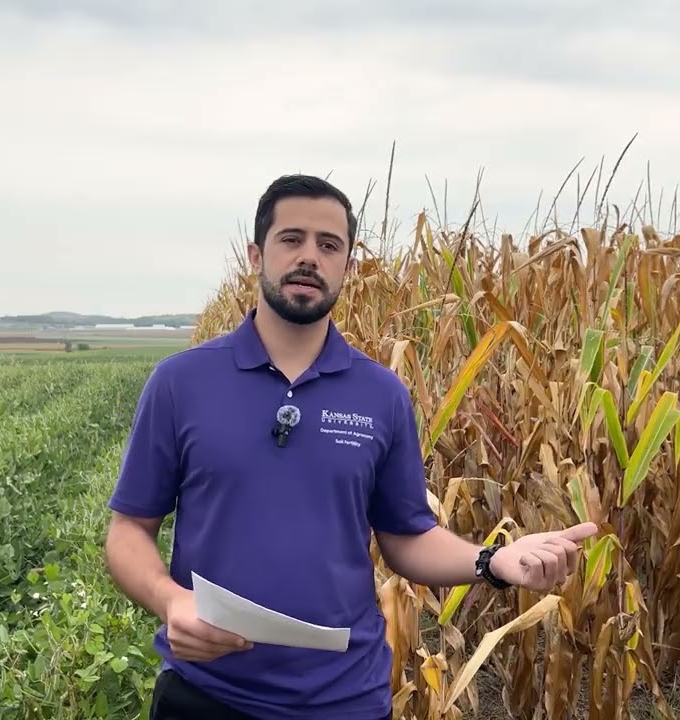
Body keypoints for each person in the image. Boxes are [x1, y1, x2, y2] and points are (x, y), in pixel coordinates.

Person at [103, 174, 599, 720]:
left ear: (349, 268)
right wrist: (171, 601)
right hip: (208, 694)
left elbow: (406, 537)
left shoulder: (380, 394)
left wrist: (495, 560)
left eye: (329, 245)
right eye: (291, 239)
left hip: (345, 699)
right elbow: (129, 531)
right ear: (256, 254)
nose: (309, 257)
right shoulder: (182, 382)